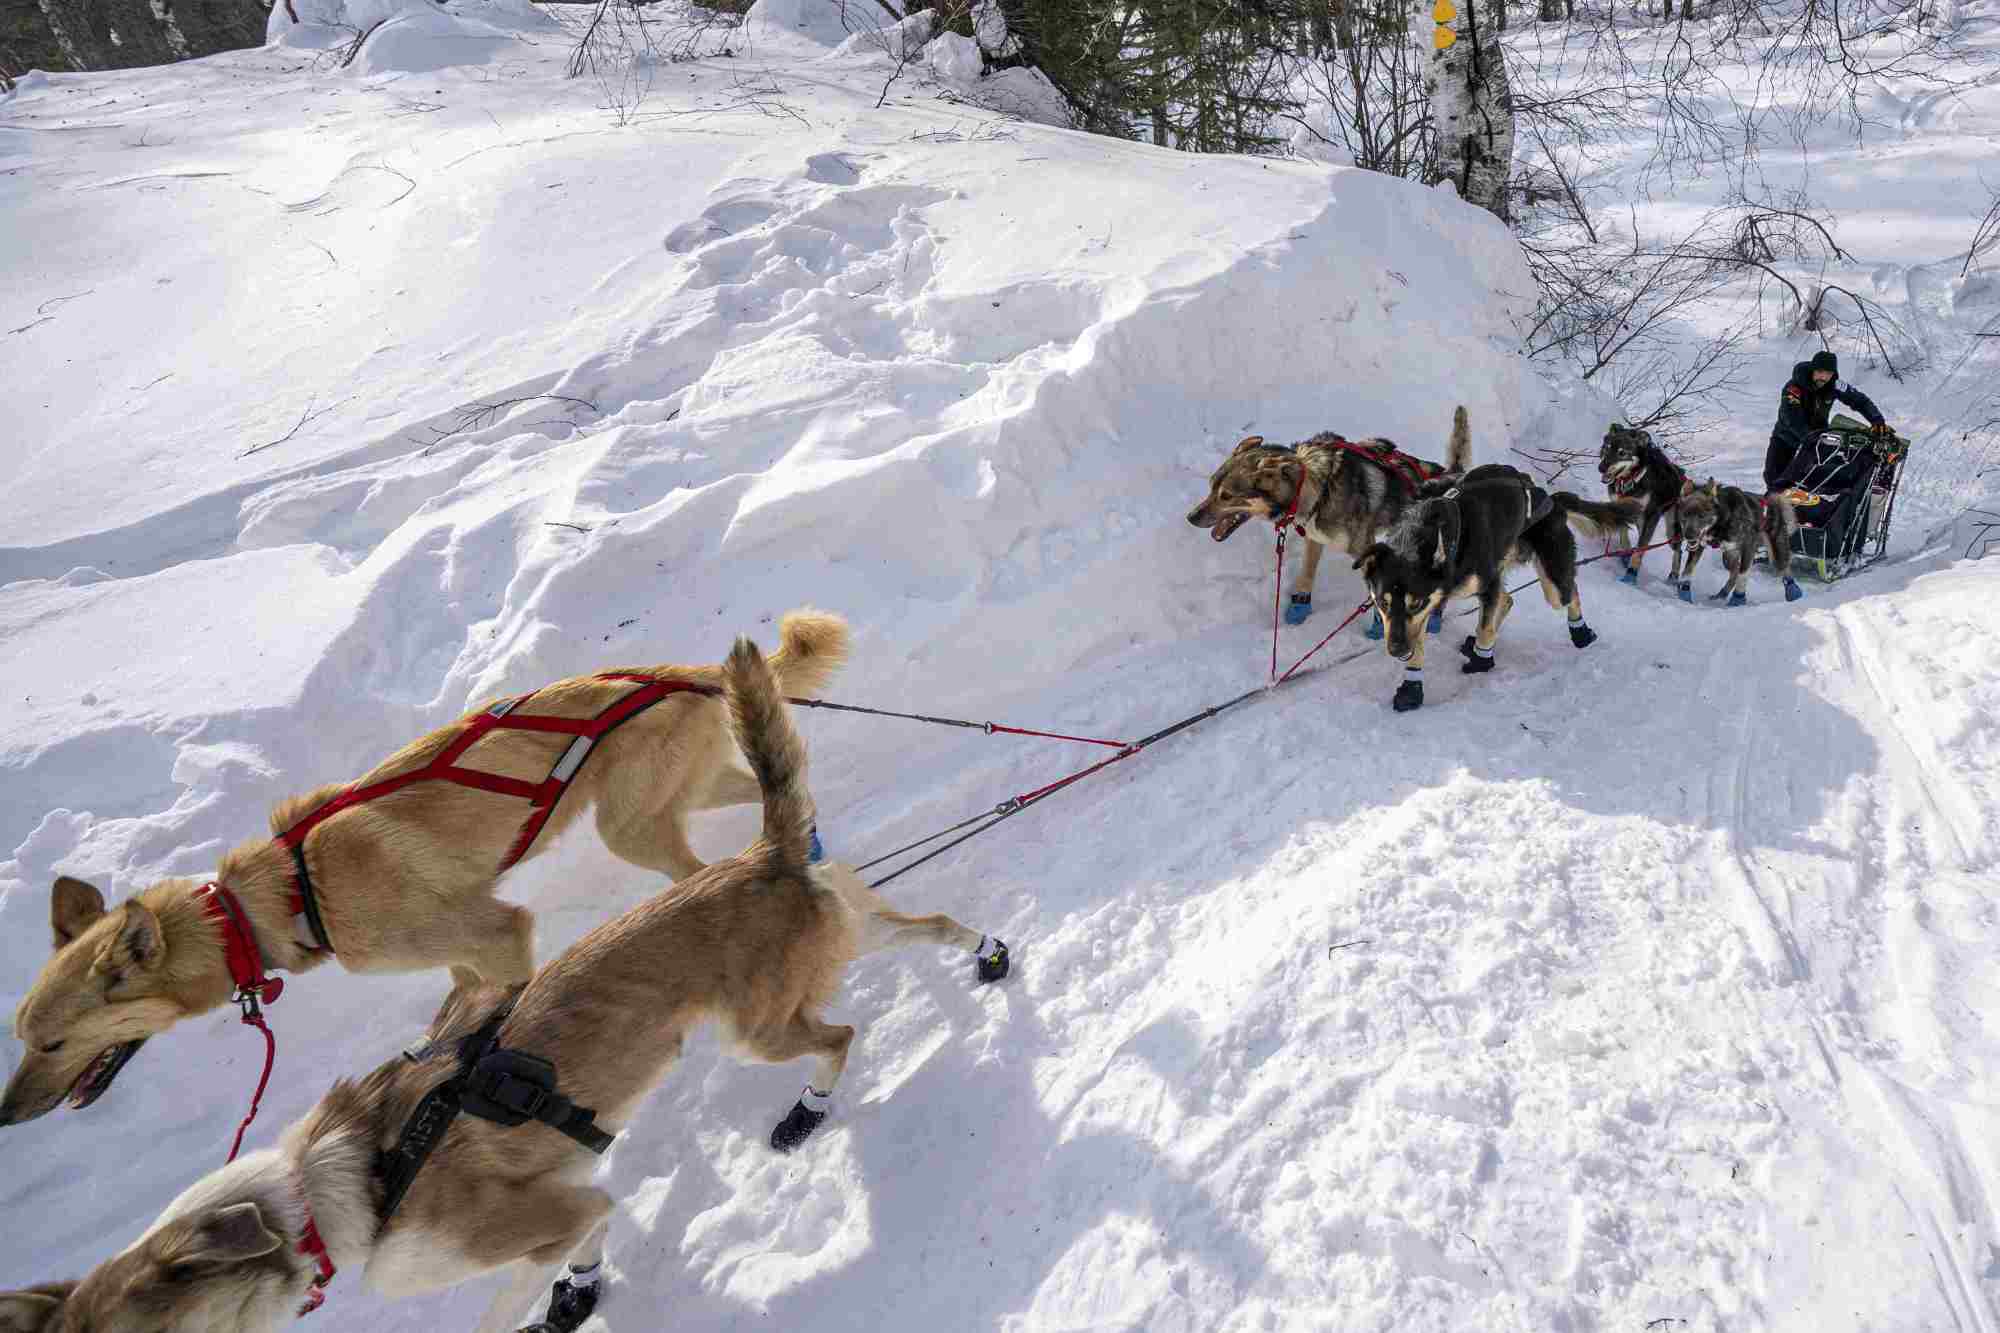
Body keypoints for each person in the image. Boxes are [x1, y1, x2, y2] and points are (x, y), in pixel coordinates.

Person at [1764, 349, 1891, 492]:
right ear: (1813, 370)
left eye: (1828, 374)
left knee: (1805, 483)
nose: (1823, 378)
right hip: (1785, 438)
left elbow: (1860, 400)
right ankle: (1770, 509)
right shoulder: (1794, 387)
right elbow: (1791, 417)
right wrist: (1809, 436)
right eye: (1819, 372)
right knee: (1774, 480)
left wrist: (1877, 419)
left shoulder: (1835, 385)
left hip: (1814, 442)